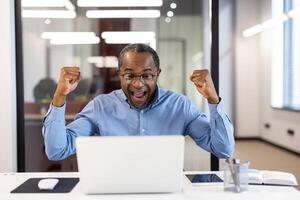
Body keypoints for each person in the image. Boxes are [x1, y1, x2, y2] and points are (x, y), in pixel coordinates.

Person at [42, 43, 234, 161]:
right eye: (129, 75)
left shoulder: (180, 106)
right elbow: (57, 151)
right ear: (119, 74)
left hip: (165, 190)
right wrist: (59, 96)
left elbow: (223, 149)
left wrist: (213, 100)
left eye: (147, 75)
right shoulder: (101, 106)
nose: (137, 83)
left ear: (157, 74)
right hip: (116, 190)